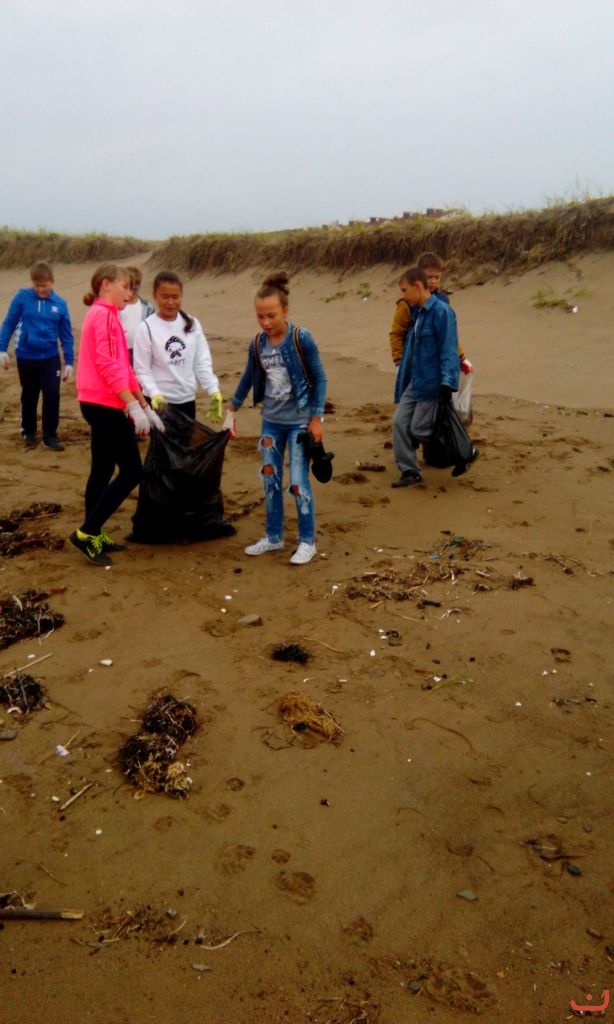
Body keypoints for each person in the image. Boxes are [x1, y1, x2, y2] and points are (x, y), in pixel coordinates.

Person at [228, 272, 327, 565]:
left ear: (285, 310)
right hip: (270, 421)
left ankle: (307, 542)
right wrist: (232, 408)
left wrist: (317, 418)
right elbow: (249, 376)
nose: (265, 322)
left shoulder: (301, 338)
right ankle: (274, 537)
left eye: (271, 315)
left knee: (298, 481)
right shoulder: (258, 343)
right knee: (270, 479)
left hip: (299, 422)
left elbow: (320, 378)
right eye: (260, 316)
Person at [69, 263, 164, 566]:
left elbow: (124, 368)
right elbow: (108, 365)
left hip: (100, 402)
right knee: (133, 470)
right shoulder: (103, 315)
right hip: (103, 404)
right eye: (125, 286)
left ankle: (93, 533)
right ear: (106, 285)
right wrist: (131, 407)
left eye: (133, 288)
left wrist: (144, 405)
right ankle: (87, 533)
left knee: (102, 468)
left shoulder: (109, 315)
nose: (130, 292)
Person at [391, 266, 477, 487]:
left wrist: (447, 382)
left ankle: (464, 450)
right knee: (399, 423)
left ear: (417, 286)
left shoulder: (441, 312)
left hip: (432, 384)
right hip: (415, 381)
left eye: (405, 290)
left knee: (420, 429)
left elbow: (449, 348)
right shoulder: (417, 312)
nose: (403, 296)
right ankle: (410, 471)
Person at [0, 261, 74, 450]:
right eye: (37, 285)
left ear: (52, 282)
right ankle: (28, 429)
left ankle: (50, 435)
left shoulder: (60, 304)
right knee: (30, 393)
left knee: (52, 393)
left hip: (50, 357)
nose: (41, 289)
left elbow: (66, 335)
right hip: (26, 356)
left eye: (44, 285)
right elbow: (9, 323)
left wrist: (69, 361)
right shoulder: (22, 298)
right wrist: (2, 349)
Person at [132, 270, 223, 422]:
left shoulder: (192, 324)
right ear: (155, 296)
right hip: (159, 402)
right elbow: (142, 370)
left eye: (175, 297)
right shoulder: (146, 328)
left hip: (187, 400)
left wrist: (213, 390)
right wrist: (154, 394)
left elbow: (201, 363)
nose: (170, 302)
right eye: (165, 297)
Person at [389, 253, 472, 373]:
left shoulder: (443, 301)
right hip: (413, 362)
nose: (433, 281)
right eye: (429, 277)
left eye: (437, 277)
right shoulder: (407, 303)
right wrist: (399, 362)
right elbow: (396, 334)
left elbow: (448, 333)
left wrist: (461, 357)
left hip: (436, 361)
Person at [119, 266, 154, 366]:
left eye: (135, 288)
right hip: (121, 350)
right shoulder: (117, 306)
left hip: (141, 349)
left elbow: (152, 328)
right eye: (128, 288)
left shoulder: (147, 306)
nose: (131, 292)